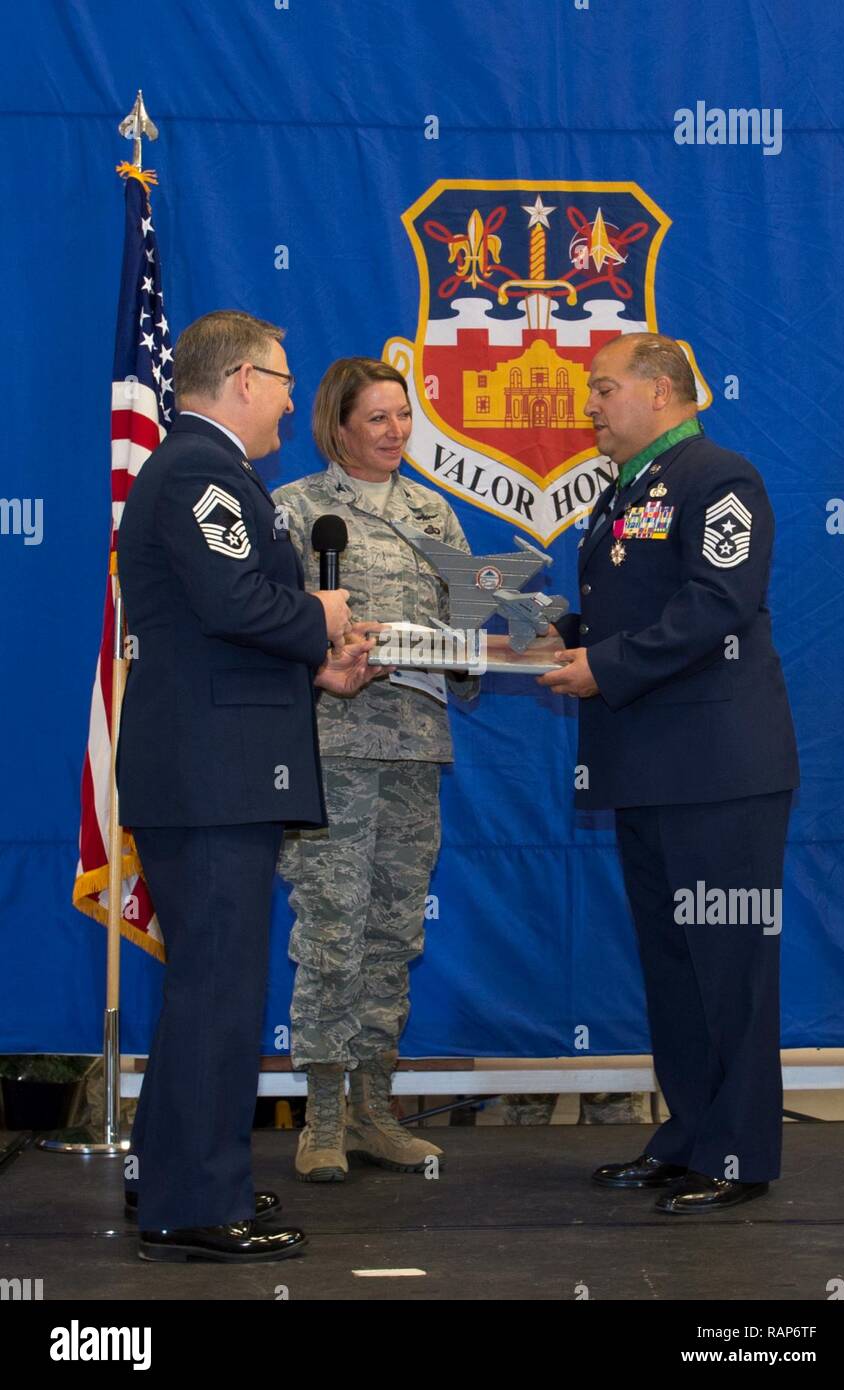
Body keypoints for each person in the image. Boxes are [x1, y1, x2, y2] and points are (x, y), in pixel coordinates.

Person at [117, 311, 374, 1262]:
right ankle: (195, 1202)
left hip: (213, 766)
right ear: (238, 379)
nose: (290, 399)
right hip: (209, 774)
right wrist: (323, 613)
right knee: (218, 991)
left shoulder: (208, 472)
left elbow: (216, 625)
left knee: (210, 988)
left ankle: (184, 1179)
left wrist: (316, 663)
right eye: (281, 378)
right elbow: (235, 602)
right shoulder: (198, 472)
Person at [539, 332, 799, 1214]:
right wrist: (569, 637)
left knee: (729, 968)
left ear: (659, 392)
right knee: (676, 970)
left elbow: (716, 605)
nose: (591, 407)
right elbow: (635, 605)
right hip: (648, 768)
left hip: (719, 769)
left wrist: (605, 669)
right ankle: (688, 1137)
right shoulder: (623, 492)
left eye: (603, 389)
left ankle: (737, 1154)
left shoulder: (721, 479)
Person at [273, 356, 478, 1182]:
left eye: (404, 416)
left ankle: (373, 1112)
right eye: (379, 419)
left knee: (394, 935)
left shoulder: (436, 512)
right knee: (332, 933)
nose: (397, 432)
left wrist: (477, 647)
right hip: (331, 751)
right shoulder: (297, 511)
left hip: (416, 750)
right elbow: (271, 631)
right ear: (338, 427)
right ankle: (320, 1123)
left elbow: (465, 628)